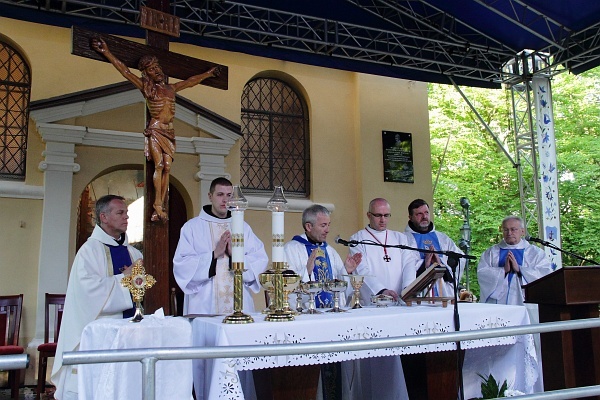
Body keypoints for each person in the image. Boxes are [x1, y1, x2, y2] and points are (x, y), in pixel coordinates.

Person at [92, 38, 220, 222]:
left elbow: (191, 81)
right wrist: (106, 52)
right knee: (159, 165)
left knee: (167, 167)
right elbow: (125, 71)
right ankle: (157, 205)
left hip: (170, 132)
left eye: (157, 67)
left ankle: (161, 204)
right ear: (146, 73)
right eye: (152, 69)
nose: (157, 71)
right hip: (156, 129)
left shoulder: (171, 88)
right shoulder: (146, 88)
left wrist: (208, 73)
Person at [51, 195, 142, 400]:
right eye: (120, 213)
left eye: (127, 213)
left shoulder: (134, 254)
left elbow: (141, 291)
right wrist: (126, 278)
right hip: (99, 331)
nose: (126, 217)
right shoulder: (88, 251)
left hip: (129, 332)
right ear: (104, 217)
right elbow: (88, 293)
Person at [173, 177, 268, 315]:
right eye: (220, 194)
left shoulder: (243, 227)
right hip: (204, 304)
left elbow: (259, 260)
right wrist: (213, 255)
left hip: (239, 301)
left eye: (229, 195)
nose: (225, 200)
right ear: (210, 196)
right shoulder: (192, 227)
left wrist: (235, 256)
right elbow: (182, 265)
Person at [284, 204, 362, 308]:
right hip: (307, 316)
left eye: (329, 225)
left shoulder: (330, 251)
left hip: (332, 314)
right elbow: (286, 287)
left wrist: (346, 271)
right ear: (309, 226)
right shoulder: (291, 249)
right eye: (323, 225)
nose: (327, 230)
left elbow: (343, 291)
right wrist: (306, 271)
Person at [348, 198, 421, 303]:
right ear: (369, 215)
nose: (383, 220)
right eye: (378, 215)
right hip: (375, 300)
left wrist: (408, 289)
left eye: (386, 215)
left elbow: (409, 264)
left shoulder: (399, 238)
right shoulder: (357, 239)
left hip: (401, 299)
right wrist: (381, 290)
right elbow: (361, 269)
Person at [478, 215, 553, 305]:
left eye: (513, 229)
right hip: (497, 303)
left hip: (525, 301)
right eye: (505, 230)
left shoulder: (535, 253)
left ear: (522, 231)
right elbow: (482, 273)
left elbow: (545, 275)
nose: (509, 233)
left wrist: (520, 269)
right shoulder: (491, 252)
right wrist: (503, 270)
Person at [404, 198, 465, 298]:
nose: (424, 217)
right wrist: (425, 264)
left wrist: (440, 264)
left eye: (426, 212)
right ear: (410, 217)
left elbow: (460, 260)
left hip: (445, 294)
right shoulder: (405, 239)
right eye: (419, 214)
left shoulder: (443, 239)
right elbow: (403, 268)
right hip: (419, 296)